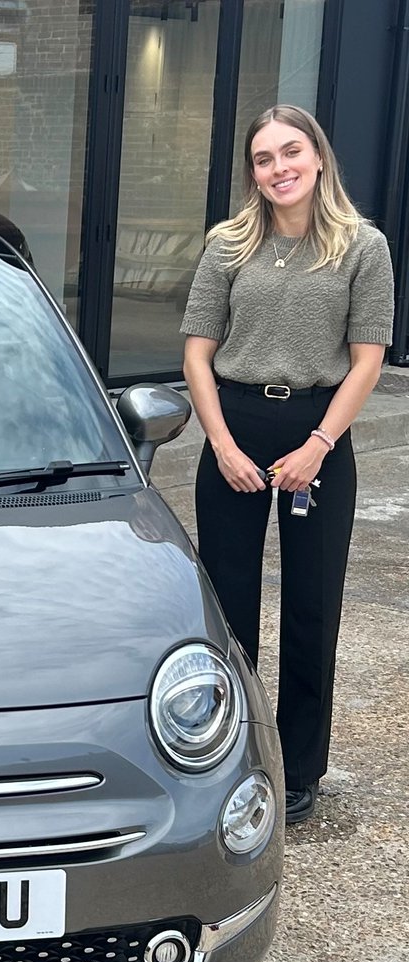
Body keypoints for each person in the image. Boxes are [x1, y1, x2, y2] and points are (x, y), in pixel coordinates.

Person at [181, 104, 394, 825]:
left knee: (311, 603)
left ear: (319, 156)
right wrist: (222, 444)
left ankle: (300, 767)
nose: (280, 168)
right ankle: (227, 754)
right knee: (228, 604)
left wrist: (319, 444)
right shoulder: (228, 243)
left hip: (319, 429)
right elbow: (197, 354)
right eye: (264, 158)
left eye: (291, 151)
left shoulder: (362, 247)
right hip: (235, 424)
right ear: (253, 172)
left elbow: (367, 361)